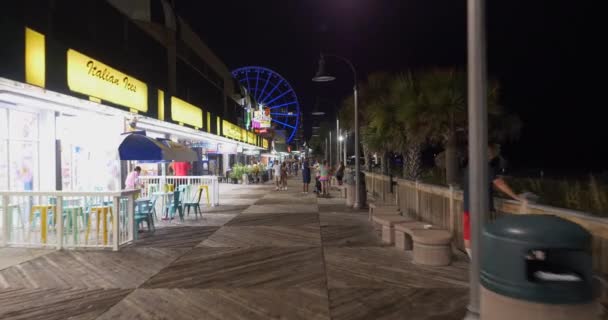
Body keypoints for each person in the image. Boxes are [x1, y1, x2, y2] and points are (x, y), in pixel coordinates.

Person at [463, 143, 525, 259]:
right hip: (478, 209)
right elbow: (499, 183)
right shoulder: (484, 166)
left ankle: (475, 261)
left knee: (468, 235)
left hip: (468, 206)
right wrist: (516, 197)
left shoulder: (469, 166)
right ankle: (479, 263)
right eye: (490, 153)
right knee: (480, 235)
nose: (491, 155)